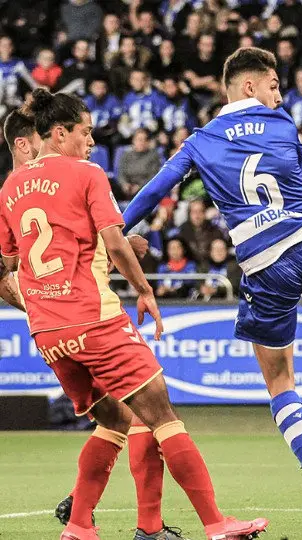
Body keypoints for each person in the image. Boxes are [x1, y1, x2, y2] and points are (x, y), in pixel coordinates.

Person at [0, 88, 267, 540]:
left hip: (48, 332)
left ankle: (81, 525)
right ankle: (216, 524)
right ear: (60, 133)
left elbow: (8, 268)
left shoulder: (10, 187)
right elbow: (115, 240)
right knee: (161, 413)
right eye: (85, 133)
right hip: (95, 318)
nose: (91, 142)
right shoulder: (85, 172)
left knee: (116, 419)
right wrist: (144, 289)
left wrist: (42, 304)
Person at [120, 47, 302, 526]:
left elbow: (154, 192)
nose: (278, 96)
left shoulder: (200, 140)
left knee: (280, 382)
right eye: (273, 86)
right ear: (250, 85)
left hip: (262, 264)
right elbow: (296, 183)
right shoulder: (286, 125)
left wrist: (117, 231)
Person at [2, 106, 189, 540]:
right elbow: (16, 268)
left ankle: (81, 514)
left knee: (119, 417)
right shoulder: (51, 181)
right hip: (81, 318)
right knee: (147, 410)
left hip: (53, 328)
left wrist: (115, 249)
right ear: (27, 143)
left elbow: (50, 256)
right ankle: (148, 527)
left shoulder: (18, 192)